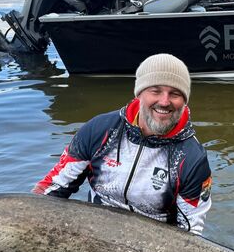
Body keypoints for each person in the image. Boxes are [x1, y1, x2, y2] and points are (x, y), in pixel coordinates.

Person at [32, 53, 213, 235]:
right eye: (155, 91)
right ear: (140, 93)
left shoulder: (192, 159)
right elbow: (52, 189)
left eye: (174, 94)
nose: (164, 101)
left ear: (184, 101)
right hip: (95, 231)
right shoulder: (100, 130)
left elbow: (191, 234)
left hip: (153, 245)